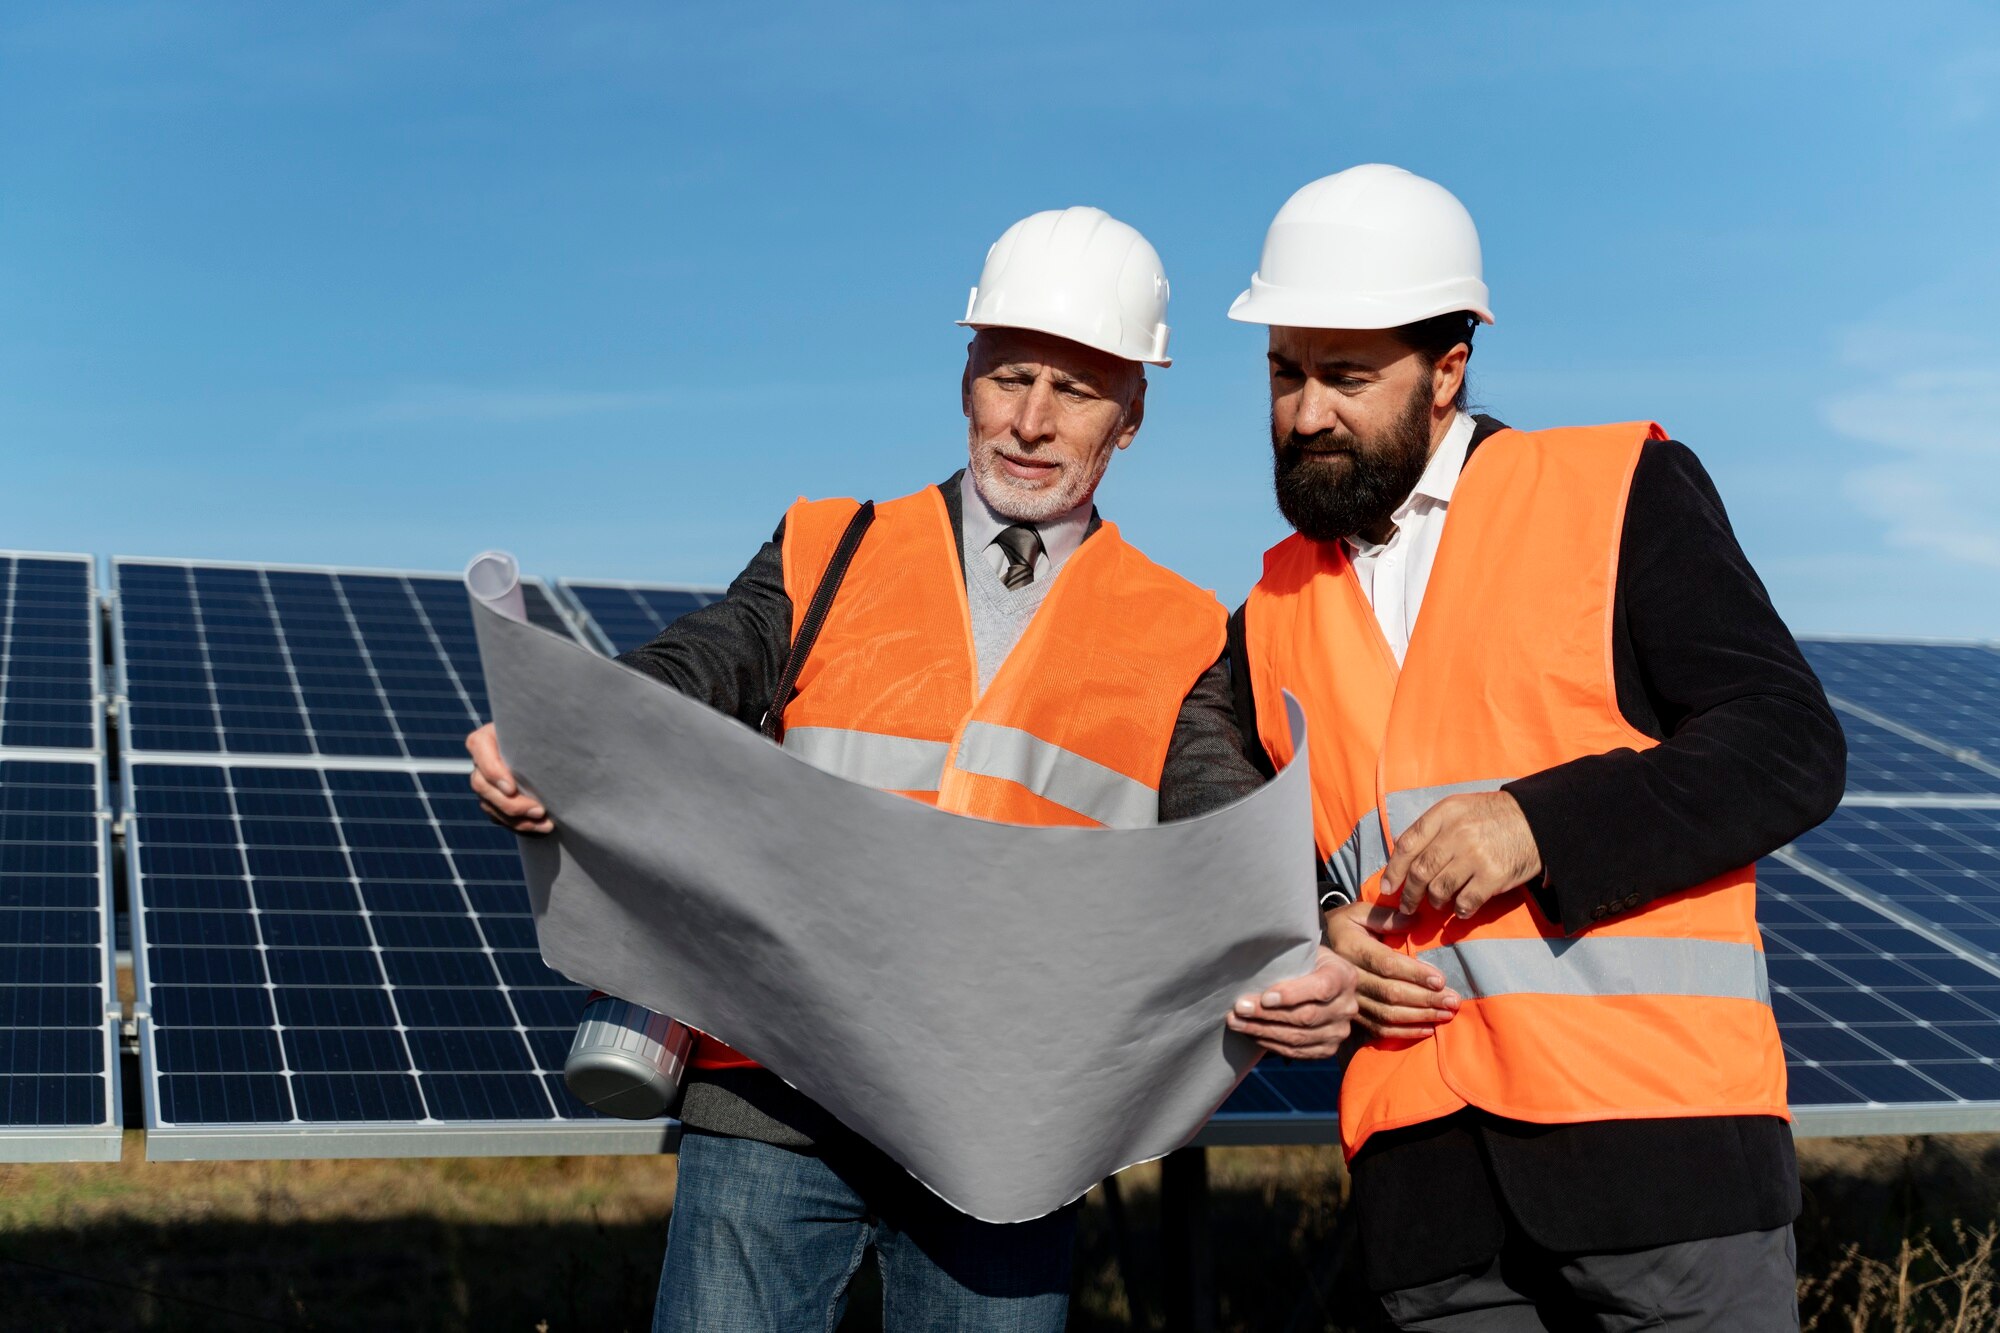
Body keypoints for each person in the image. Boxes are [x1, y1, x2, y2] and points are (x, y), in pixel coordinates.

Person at [467, 205, 1360, 1332]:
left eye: (1075, 390)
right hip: (773, 1091)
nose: (1031, 421)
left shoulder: (1185, 631)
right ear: (964, 376)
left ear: (1130, 415)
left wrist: (1310, 934)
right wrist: (570, 733)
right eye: (1009, 375)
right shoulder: (829, 544)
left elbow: (1220, 827)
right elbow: (697, 665)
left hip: (1008, 1132)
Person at [1219, 165, 1846, 1330]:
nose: (1305, 413)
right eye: (1283, 372)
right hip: (1428, 1211)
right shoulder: (1266, 608)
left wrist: (1537, 822)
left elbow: (1788, 744)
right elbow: (1212, 826)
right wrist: (1316, 928)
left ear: (1447, 368)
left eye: (1346, 378)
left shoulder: (1614, 488)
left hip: (1664, 1166)